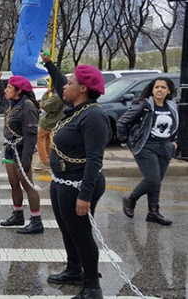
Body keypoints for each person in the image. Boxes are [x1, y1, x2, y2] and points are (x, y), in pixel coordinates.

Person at [41, 52, 109, 299]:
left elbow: (94, 160)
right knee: (67, 230)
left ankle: (92, 287)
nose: (64, 87)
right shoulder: (75, 108)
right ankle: (73, 269)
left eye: (70, 83)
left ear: (83, 88)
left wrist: (85, 195)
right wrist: (49, 65)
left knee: (81, 234)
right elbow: (59, 83)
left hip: (79, 184)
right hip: (61, 182)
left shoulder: (94, 116)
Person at [117, 78, 178, 226]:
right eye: (157, 87)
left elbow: (176, 123)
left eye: (164, 87)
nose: (160, 90)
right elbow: (122, 122)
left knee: (157, 182)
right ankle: (131, 199)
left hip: (165, 147)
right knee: (152, 180)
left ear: (168, 91)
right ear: (152, 89)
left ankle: (153, 212)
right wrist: (126, 141)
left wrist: (174, 141)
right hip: (146, 146)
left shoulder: (171, 106)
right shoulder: (143, 105)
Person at [0, 73, 43, 234]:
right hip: (10, 149)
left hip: (22, 150)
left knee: (27, 185)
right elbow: (1, 98)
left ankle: (36, 220)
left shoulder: (28, 106)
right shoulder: (12, 104)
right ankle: (18, 214)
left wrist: (26, 159)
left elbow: (31, 136)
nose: (6, 90)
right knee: (13, 183)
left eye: (9, 87)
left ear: (19, 90)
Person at [35, 85, 65, 171]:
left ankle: (44, 161)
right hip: (56, 121)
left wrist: (46, 94)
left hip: (49, 122)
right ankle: (48, 158)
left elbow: (44, 105)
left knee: (39, 140)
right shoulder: (61, 95)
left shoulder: (56, 97)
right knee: (48, 140)